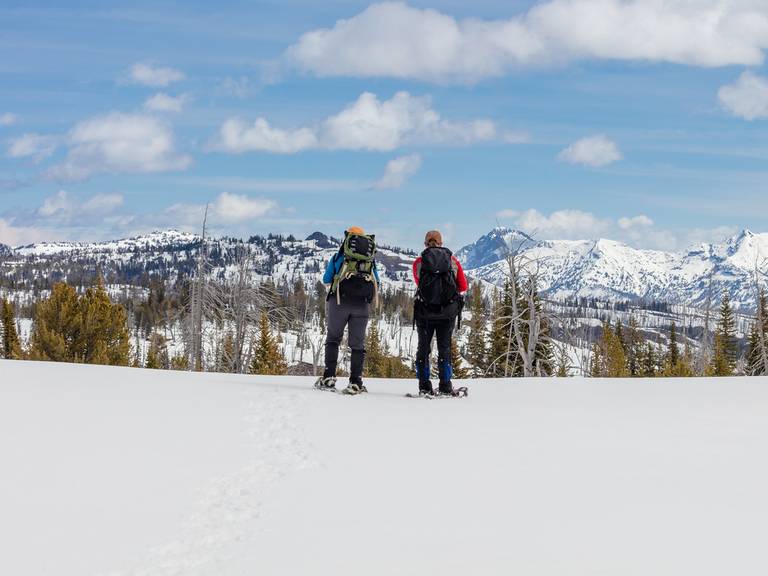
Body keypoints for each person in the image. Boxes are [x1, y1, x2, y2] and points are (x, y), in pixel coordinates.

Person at [315, 226, 380, 395]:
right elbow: (377, 283)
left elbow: (326, 279)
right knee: (357, 345)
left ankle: (329, 377)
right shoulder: (370, 260)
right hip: (362, 305)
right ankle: (355, 382)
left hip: (339, 302)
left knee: (333, 339)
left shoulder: (339, 257)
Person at [412, 230, 468, 396]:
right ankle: (445, 386)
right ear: (441, 243)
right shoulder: (453, 261)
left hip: (424, 312)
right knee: (445, 349)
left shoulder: (419, 263)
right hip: (447, 313)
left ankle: (424, 386)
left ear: (425, 244)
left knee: (423, 349)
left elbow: (419, 284)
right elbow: (463, 286)